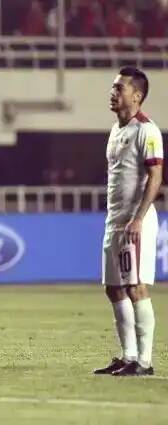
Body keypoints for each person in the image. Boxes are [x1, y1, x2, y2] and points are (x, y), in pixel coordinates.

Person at [93, 67, 162, 377]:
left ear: (137, 95)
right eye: (113, 87)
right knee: (114, 288)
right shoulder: (116, 129)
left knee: (135, 287)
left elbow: (155, 177)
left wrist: (138, 218)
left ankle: (144, 362)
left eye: (119, 88)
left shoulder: (147, 130)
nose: (113, 92)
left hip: (136, 222)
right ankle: (128, 356)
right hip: (115, 220)